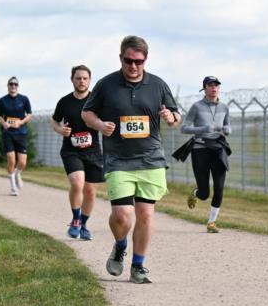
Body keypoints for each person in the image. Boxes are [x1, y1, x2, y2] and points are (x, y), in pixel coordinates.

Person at [81, 35, 181, 284]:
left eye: (138, 61)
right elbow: (87, 112)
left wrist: (171, 117)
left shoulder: (158, 85)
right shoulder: (106, 85)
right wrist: (100, 124)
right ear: (120, 58)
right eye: (128, 60)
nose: (133, 66)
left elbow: (176, 115)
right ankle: (120, 244)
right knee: (122, 215)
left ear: (145, 60)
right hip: (118, 160)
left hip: (151, 159)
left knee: (145, 214)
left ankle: (138, 266)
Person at [51, 65, 104, 240]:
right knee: (77, 182)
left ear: (89, 80)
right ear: (72, 79)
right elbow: (54, 121)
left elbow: (105, 122)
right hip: (71, 150)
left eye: (85, 78)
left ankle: (84, 224)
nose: (81, 81)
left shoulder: (96, 101)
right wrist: (60, 131)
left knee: (90, 191)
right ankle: (75, 220)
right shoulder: (65, 101)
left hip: (93, 151)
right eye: (78, 78)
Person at [181, 76, 232, 233]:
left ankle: (212, 222)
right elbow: (184, 128)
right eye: (210, 85)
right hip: (200, 149)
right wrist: (203, 129)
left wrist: (227, 129)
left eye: (216, 85)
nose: (214, 88)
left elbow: (227, 125)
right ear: (204, 88)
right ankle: (196, 192)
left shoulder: (224, 107)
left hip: (218, 149)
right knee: (204, 194)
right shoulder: (196, 107)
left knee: (219, 187)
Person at [0, 77, 32, 196]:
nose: (13, 86)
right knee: (11, 159)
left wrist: (21, 122)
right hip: (8, 133)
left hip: (21, 133)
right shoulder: (2, 100)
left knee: (22, 163)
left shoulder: (24, 99)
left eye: (15, 84)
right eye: (11, 84)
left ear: (18, 86)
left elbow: (29, 115)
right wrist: (4, 123)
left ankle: (17, 174)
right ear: (7, 86)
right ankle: (13, 187)